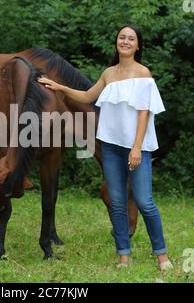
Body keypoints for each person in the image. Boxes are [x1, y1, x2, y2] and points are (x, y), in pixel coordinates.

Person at [38, 25, 173, 271]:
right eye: (122, 37)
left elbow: (144, 113)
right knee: (118, 203)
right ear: (116, 43)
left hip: (137, 148)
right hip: (110, 146)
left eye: (131, 38)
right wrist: (61, 88)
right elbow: (88, 96)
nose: (125, 41)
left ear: (138, 45)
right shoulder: (109, 73)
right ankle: (124, 256)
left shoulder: (144, 73)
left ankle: (162, 256)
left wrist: (136, 147)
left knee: (144, 201)